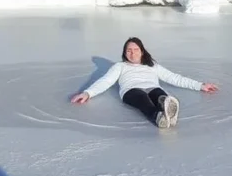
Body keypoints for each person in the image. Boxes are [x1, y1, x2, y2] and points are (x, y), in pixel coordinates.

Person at [70, 37, 218, 129]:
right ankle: (158, 117)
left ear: (142, 51)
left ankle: (165, 105)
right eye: (129, 50)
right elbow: (106, 81)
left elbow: (174, 78)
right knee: (142, 97)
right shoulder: (119, 66)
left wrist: (200, 85)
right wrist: (87, 93)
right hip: (131, 90)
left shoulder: (152, 65)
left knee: (158, 94)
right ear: (124, 53)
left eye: (135, 49)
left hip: (152, 87)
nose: (132, 53)